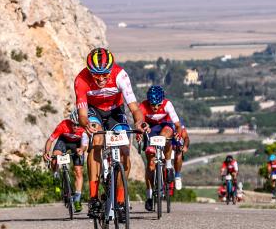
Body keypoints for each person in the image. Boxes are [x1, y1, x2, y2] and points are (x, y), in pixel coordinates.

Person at [74, 48, 148, 220]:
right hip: (94, 112)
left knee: (125, 150)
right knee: (98, 139)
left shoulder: (120, 75)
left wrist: (139, 122)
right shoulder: (81, 79)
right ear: (89, 71)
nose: (100, 79)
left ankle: (121, 201)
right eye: (96, 75)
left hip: (115, 112)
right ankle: (93, 198)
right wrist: (87, 125)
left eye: (105, 75)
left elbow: (134, 108)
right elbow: (82, 115)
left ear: (111, 69)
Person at [139, 85, 182, 211]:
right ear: (148, 102)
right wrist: (140, 133)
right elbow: (140, 123)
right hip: (151, 128)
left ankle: (168, 166)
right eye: (153, 105)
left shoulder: (168, 104)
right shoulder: (143, 106)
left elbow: (177, 124)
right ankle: (149, 196)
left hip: (165, 126)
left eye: (158, 105)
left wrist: (178, 132)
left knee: (165, 136)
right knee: (150, 164)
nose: (156, 108)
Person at [43, 108, 88, 213]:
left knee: (78, 171)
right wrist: (46, 152)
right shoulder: (63, 125)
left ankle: (77, 199)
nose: (76, 127)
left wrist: (82, 149)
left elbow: (85, 145)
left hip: (77, 144)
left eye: (78, 125)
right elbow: (50, 140)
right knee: (55, 159)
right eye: (74, 124)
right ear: (70, 122)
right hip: (63, 141)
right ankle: (56, 173)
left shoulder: (84, 128)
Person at [172, 118, 190, 190]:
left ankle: (177, 175)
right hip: (166, 144)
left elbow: (186, 137)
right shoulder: (160, 119)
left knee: (179, 153)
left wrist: (185, 146)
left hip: (175, 145)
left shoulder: (178, 122)